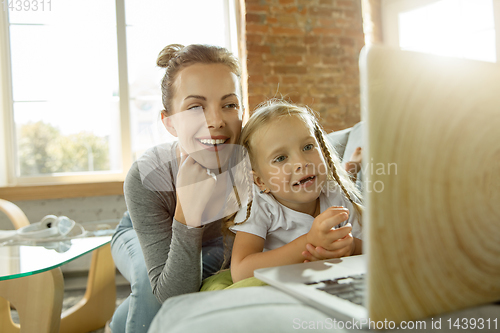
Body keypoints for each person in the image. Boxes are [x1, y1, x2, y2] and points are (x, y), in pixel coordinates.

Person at [109, 43, 245, 333]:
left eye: (229, 104)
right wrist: (187, 212)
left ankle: (120, 323)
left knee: (159, 291)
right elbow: (174, 297)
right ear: (169, 123)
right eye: (196, 107)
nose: (216, 120)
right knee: (150, 282)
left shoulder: (252, 164)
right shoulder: (146, 177)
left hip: (210, 244)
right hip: (137, 231)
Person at [229, 100, 363, 282]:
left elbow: (376, 249)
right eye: (281, 158)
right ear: (260, 182)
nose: (301, 162)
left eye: (308, 147)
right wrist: (310, 242)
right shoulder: (259, 206)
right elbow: (240, 271)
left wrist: (351, 247)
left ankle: (350, 170)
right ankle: (351, 169)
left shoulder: (335, 194)